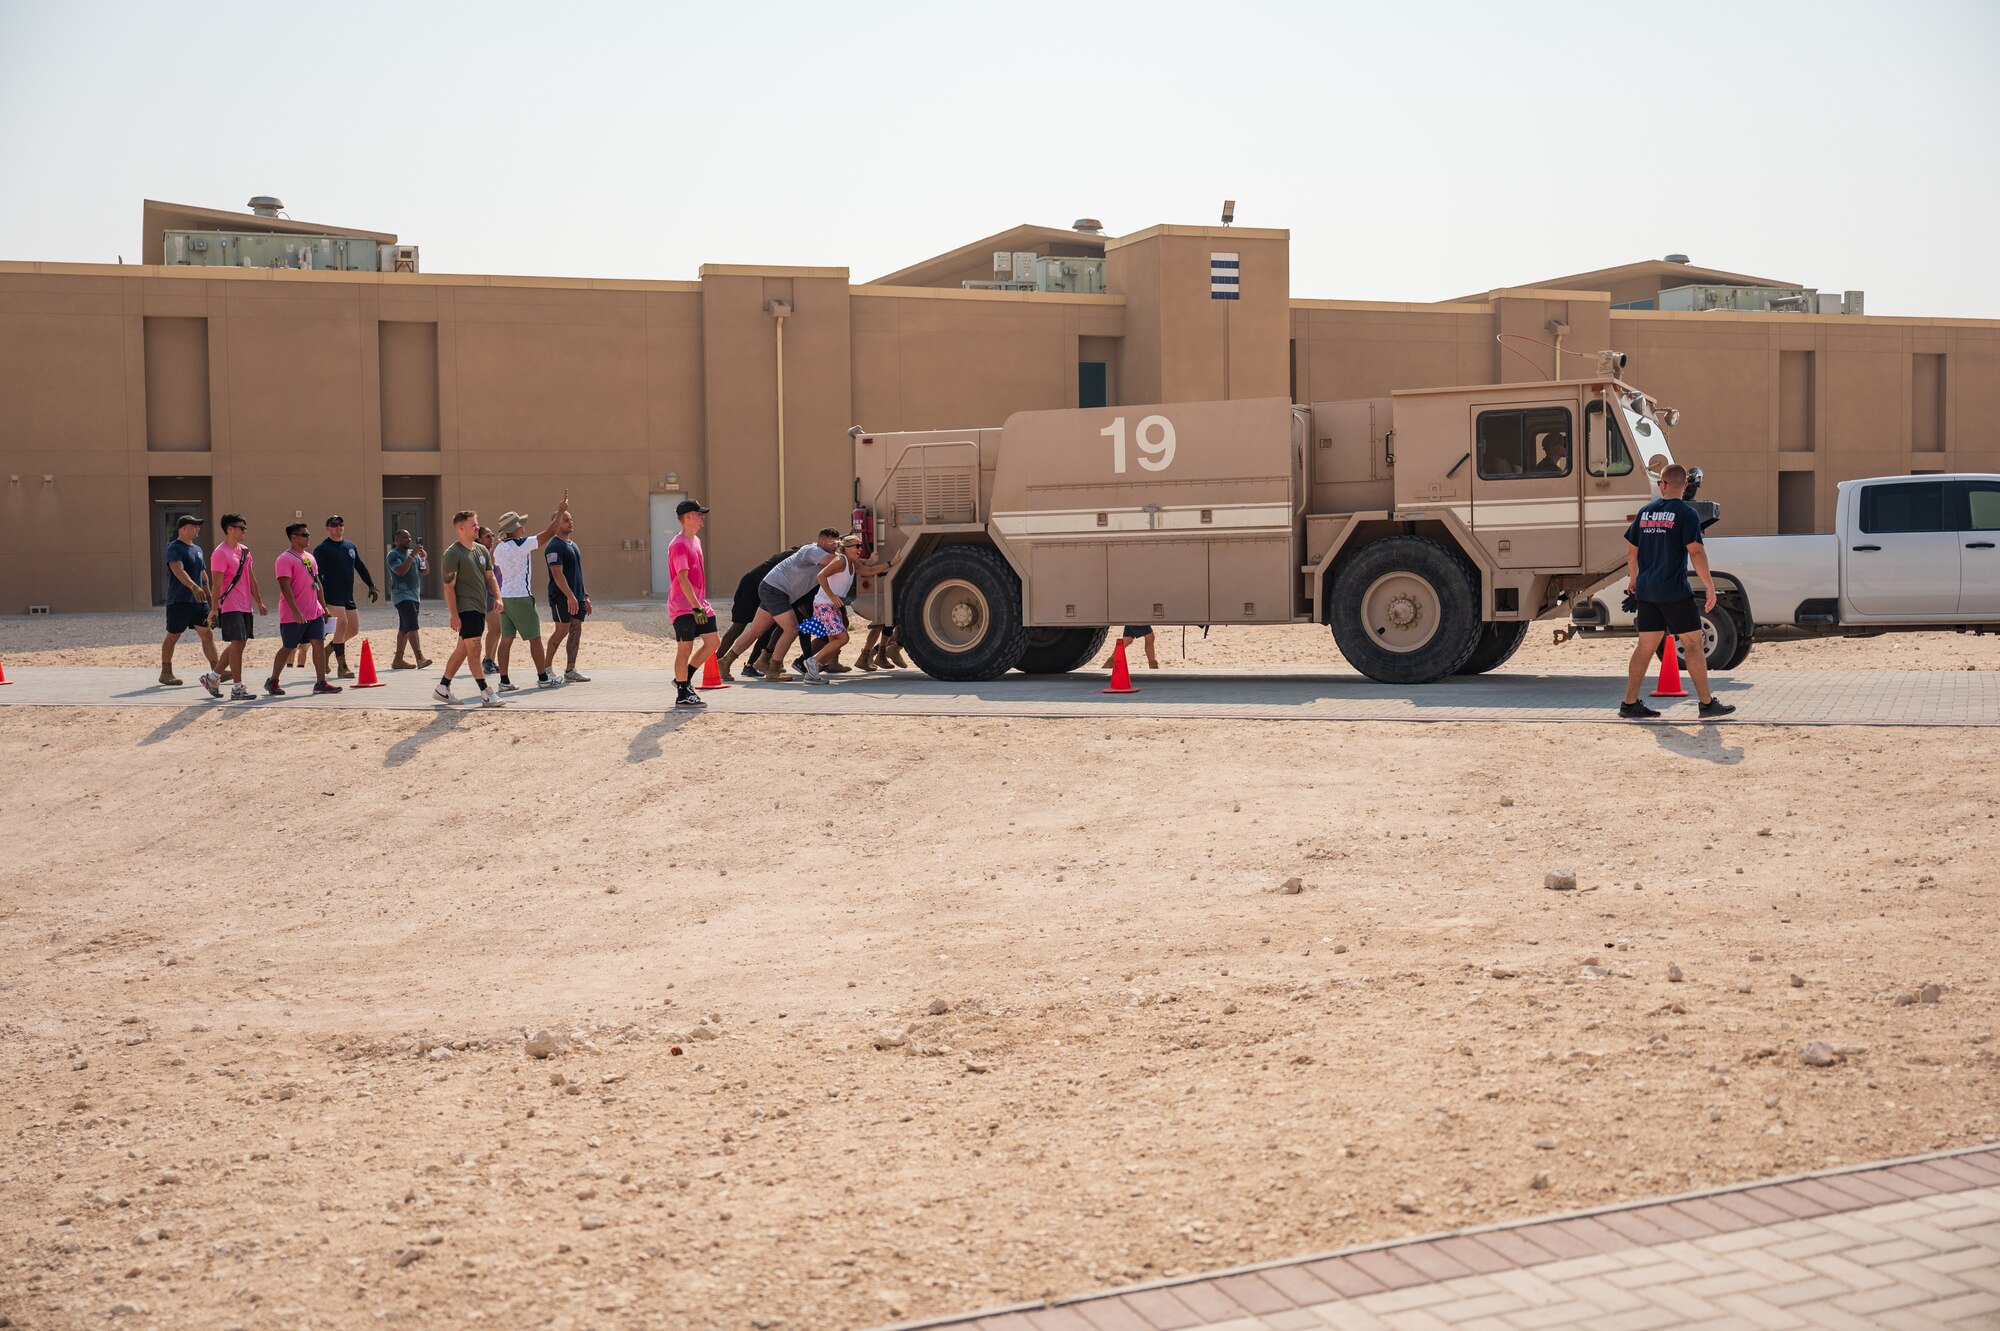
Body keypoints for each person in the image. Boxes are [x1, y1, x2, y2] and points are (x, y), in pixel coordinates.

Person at [1620, 463, 1736, 720]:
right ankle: (1706, 704)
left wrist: (1634, 579)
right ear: (1685, 486)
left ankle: (1629, 704)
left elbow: (1631, 550)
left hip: (1647, 591)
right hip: (1673, 591)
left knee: (1645, 646)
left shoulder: (1646, 512)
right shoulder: (1686, 513)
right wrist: (1709, 586)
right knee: (1694, 643)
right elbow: (1695, 551)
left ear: (1662, 484)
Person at [714, 529, 841, 684]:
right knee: (792, 629)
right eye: (833, 542)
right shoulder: (813, 550)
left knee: (756, 631)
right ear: (822, 541)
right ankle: (774, 669)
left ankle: (725, 662)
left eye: (838, 542)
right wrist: (849, 555)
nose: (836, 546)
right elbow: (834, 561)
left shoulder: (822, 556)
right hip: (775, 590)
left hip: (773, 589)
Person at [491, 498, 570, 692]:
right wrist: (560, 512)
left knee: (506, 640)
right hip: (521, 597)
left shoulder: (499, 548)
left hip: (506, 596)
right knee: (535, 638)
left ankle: (504, 680)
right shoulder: (520, 544)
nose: (523, 528)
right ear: (515, 528)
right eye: (520, 525)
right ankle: (543, 677)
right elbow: (549, 533)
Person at [435, 510, 505, 708]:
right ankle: (485, 692)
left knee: (462, 651)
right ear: (461, 528)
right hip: (466, 609)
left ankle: (443, 688)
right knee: (475, 649)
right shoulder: (452, 553)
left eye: (477, 524)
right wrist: (454, 615)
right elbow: (448, 586)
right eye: (474, 525)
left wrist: (498, 597)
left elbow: (490, 577)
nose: (477, 527)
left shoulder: (481, 551)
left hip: (480, 607)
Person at [798, 535, 890, 683]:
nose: (860, 548)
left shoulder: (852, 563)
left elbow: (869, 571)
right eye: (857, 546)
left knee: (834, 641)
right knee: (843, 638)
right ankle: (812, 662)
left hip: (831, 606)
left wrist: (890, 564)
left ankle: (811, 674)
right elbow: (821, 576)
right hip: (824, 605)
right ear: (846, 548)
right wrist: (832, 596)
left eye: (860, 545)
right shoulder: (841, 560)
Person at [268, 523, 339, 696]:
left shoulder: (309, 557)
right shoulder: (284, 558)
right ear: (293, 537)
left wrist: (324, 607)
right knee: (289, 646)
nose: (308, 537)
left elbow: (317, 583)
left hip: (314, 611)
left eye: (308, 534)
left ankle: (321, 682)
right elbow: (285, 586)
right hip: (294, 614)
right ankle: (273, 681)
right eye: (304, 535)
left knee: (318, 643)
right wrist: (295, 611)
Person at [160, 514, 222, 695]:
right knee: (173, 635)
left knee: (207, 634)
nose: (198, 529)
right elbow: (177, 568)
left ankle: (216, 671)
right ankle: (166, 672)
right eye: (194, 526)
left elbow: (203, 575)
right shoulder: (174, 547)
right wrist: (192, 586)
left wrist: (211, 602)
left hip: (198, 602)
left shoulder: (198, 549)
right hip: (179, 601)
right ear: (183, 529)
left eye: (198, 526)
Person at [666, 499, 720, 707]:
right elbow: (682, 578)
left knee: (713, 642)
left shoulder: (695, 540)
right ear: (688, 517)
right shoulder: (679, 544)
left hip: (699, 603)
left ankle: (683, 679)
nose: (702, 518)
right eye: (699, 514)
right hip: (683, 605)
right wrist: (696, 606)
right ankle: (682, 693)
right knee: (685, 648)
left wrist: (700, 605)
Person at [208, 514, 266, 701]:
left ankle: (212, 677)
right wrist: (214, 608)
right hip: (230, 605)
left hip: (245, 605)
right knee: (237, 644)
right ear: (229, 529)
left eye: (245, 527)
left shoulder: (245, 552)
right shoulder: (220, 553)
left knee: (238, 644)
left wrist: (258, 601)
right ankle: (237, 687)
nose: (244, 531)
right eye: (240, 527)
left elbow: (250, 577)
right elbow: (216, 584)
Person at [312, 516, 378, 678]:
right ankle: (342, 666)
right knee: (342, 625)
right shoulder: (322, 549)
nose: (338, 527)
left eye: (341, 524)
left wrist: (371, 585)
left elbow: (360, 566)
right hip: (332, 594)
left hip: (347, 594)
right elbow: (316, 574)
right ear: (327, 528)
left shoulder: (350, 546)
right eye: (334, 525)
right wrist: (320, 598)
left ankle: (328, 650)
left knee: (353, 629)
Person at [715, 547, 794, 681]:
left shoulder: (803, 555)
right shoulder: (803, 555)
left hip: (768, 589)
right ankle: (715, 663)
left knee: (767, 627)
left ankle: (751, 664)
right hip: (752, 586)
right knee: (738, 627)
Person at [543, 507, 591, 683]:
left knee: (575, 630)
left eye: (571, 519)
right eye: (566, 520)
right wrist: (570, 596)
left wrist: (584, 596)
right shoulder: (553, 546)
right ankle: (546, 670)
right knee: (561, 631)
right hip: (561, 597)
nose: (571, 522)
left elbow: (577, 573)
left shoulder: (573, 545)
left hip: (576, 596)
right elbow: (557, 575)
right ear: (555, 525)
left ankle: (570, 670)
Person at [386, 530, 431, 669]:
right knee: (412, 624)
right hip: (401, 595)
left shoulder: (414, 554)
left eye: (410, 537)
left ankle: (398, 660)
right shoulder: (393, 554)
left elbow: (425, 571)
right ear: (396, 540)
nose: (409, 539)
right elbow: (400, 571)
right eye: (405, 537)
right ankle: (419, 657)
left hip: (414, 595)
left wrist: (424, 558)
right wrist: (412, 555)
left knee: (405, 627)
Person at [477, 525, 503, 675]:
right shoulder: (481, 554)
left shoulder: (493, 552)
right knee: (495, 628)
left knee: (498, 630)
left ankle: (491, 660)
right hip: (486, 594)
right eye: (488, 536)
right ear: (479, 539)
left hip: (496, 594)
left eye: (492, 535)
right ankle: (487, 660)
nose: (492, 538)